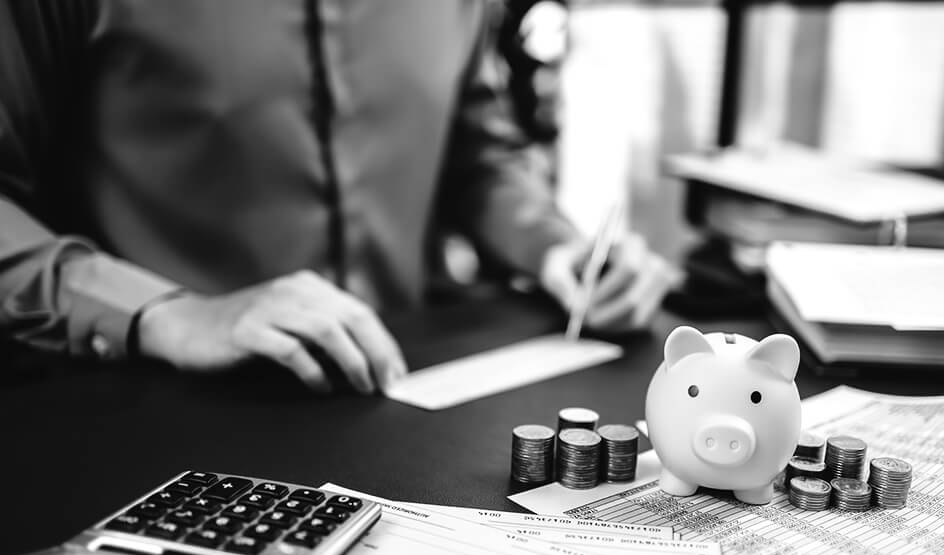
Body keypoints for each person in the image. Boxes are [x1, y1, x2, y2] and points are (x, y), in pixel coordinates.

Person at [0, 0, 680, 394]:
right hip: (149, 412)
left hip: (403, 397)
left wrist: (555, 248)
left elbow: (475, 152)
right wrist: (166, 314)